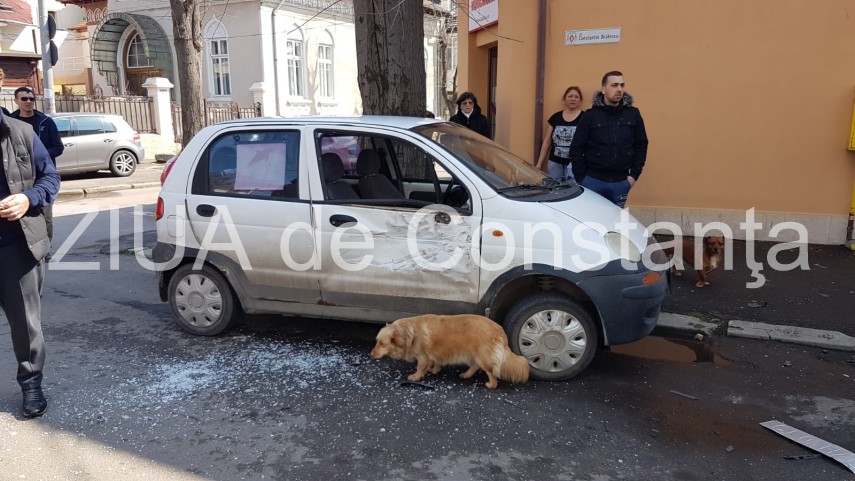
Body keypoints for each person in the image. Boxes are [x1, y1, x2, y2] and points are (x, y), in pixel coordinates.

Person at [0, 108, 61, 418]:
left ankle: (31, 383)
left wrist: (29, 198)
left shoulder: (22, 133)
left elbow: (50, 178)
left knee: (26, 325)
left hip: (17, 247)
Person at [569, 71, 648, 208]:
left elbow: (641, 145)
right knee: (592, 221)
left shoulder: (633, 114)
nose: (619, 89)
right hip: (593, 181)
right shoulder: (590, 116)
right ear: (604, 89)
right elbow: (576, 147)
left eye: (622, 85)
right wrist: (582, 178)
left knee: (615, 223)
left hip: (621, 182)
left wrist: (633, 176)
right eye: (614, 85)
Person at [11, 86, 64, 241]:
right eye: (24, 99)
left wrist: (39, 156)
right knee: (22, 217)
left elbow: (58, 147)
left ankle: (46, 251)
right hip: (20, 176)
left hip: (42, 175)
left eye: (31, 98)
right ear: (16, 101)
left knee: (46, 216)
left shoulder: (46, 122)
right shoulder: (12, 123)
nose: (29, 102)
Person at [535, 86, 585, 181]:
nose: (573, 99)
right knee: (555, 189)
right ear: (564, 99)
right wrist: (539, 163)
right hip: (555, 163)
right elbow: (547, 142)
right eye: (570, 96)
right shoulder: (555, 117)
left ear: (580, 101)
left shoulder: (585, 118)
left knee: (572, 190)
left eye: (576, 97)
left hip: (575, 163)